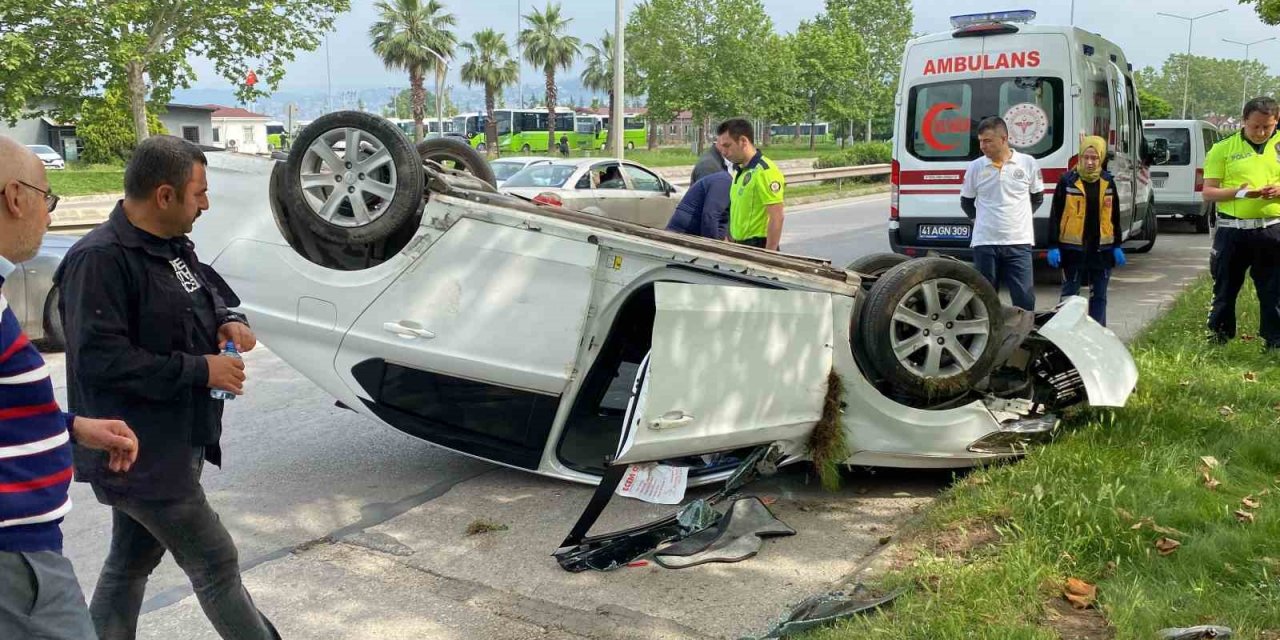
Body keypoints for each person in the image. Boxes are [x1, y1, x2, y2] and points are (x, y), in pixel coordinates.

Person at [55, 135, 278, 640]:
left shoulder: (173, 247)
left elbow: (209, 292)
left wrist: (229, 320)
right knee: (217, 563)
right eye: (198, 193)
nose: (205, 203)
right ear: (164, 195)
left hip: (179, 441)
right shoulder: (99, 261)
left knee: (130, 562)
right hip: (138, 454)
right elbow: (100, 361)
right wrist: (202, 370)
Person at [0, 136, 139, 639]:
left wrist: (72, 427)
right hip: (15, 558)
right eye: (47, 197)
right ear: (16, 197)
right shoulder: (98, 257)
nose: (50, 216)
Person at [1202, 97, 1280, 348]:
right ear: (1244, 120)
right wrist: (1236, 192)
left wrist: (1277, 190)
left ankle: (1274, 342)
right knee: (1225, 288)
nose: (1261, 132)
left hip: (1271, 229)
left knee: (1273, 290)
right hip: (1232, 231)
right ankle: (1218, 339)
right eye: (1255, 126)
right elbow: (1208, 192)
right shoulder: (1222, 149)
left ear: (1276, 122)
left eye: (1267, 127)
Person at [960, 116, 1045, 311]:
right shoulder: (975, 167)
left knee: (1024, 298)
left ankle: (1024, 337)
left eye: (988, 141)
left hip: (1018, 242)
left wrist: (1018, 217)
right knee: (984, 300)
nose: (982, 146)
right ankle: (989, 339)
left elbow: (1037, 197)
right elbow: (966, 202)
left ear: (1004, 139)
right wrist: (980, 220)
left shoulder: (1027, 163)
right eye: (980, 141)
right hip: (985, 243)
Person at [1046, 136, 1126, 326]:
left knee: (1099, 296)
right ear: (1080, 158)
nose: (1090, 162)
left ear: (1101, 158)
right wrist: (1052, 245)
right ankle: (1063, 334)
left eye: (1095, 158)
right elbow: (1055, 215)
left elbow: (1114, 216)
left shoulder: (1108, 182)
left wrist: (1117, 245)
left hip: (1102, 251)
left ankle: (1098, 335)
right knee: (1069, 296)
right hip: (1072, 250)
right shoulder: (1067, 181)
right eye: (1086, 157)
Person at [716, 119, 786, 250]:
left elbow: (777, 217)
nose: (724, 152)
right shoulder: (740, 171)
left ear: (743, 141)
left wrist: (769, 255)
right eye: (721, 147)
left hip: (757, 246)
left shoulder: (765, 171)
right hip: (739, 245)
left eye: (727, 146)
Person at [665, 171, 732, 239]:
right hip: (684, 234)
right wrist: (714, 244)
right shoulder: (724, 182)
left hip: (684, 233)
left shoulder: (723, 179)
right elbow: (710, 216)